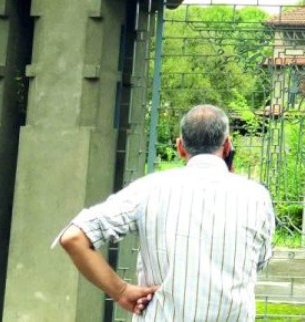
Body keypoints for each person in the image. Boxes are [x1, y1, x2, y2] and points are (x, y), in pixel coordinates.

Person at [55, 104, 275, 320]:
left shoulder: (148, 189)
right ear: (227, 146)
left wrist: (121, 291)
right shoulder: (257, 197)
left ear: (180, 147)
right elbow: (258, 261)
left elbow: (74, 237)